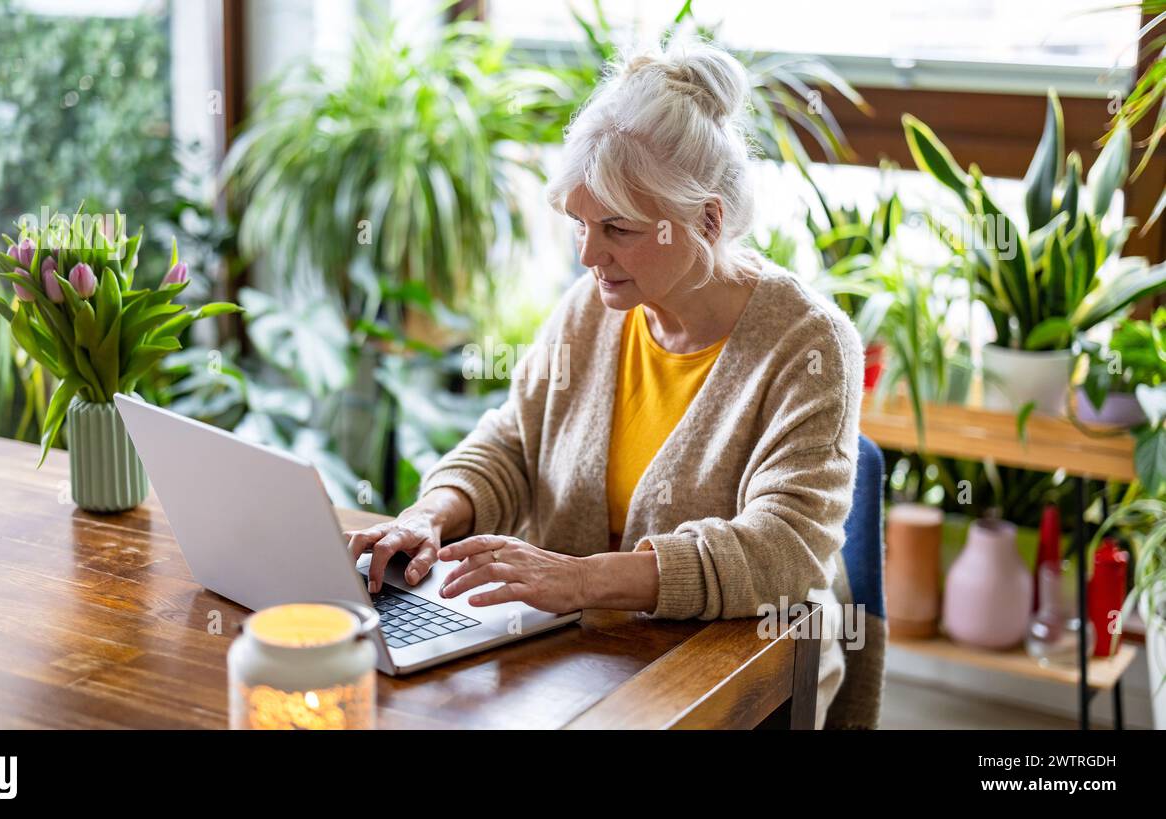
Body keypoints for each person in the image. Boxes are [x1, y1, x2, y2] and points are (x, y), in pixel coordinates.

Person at [346, 36, 863, 728]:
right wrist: (430, 516)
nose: (589, 254)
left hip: (731, 681)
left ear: (706, 220)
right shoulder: (596, 305)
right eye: (582, 225)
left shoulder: (809, 345)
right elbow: (513, 439)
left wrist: (581, 578)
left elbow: (784, 549)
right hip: (577, 659)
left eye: (617, 227)